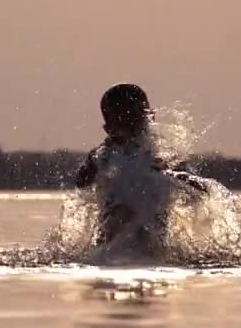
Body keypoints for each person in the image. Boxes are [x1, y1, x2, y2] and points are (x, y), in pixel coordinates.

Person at [75, 83, 206, 247]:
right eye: (125, 120)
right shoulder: (104, 156)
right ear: (109, 129)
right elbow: (81, 181)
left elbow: (198, 189)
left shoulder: (163, 156)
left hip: (146, 248)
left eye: (138, 117)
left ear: (150, 118)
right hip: (111, 248)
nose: (134, 125)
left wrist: (171, 174)